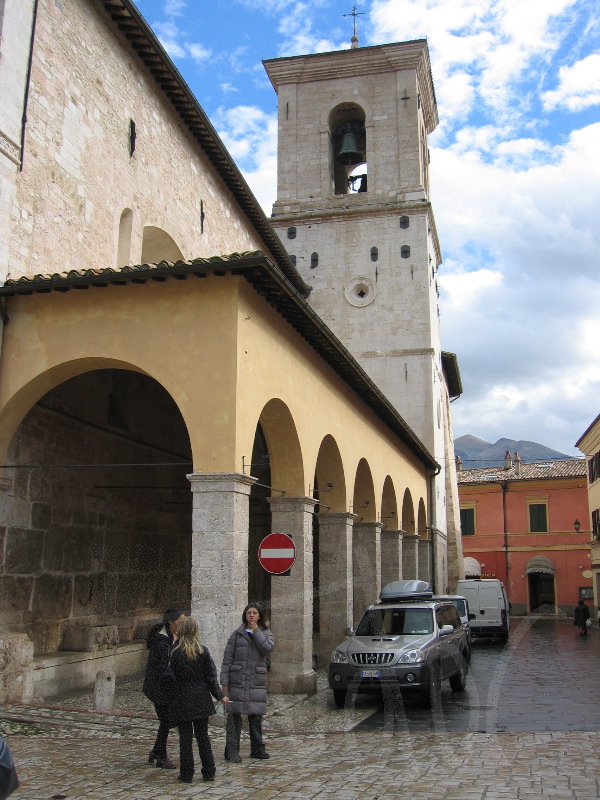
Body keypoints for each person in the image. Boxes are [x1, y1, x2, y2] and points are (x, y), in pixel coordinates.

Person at [170, 617, 228, 784]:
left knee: (186, 739)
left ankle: (186, 773)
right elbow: (211, 677)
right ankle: (209, 771)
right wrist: (219, 695)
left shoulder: (175, 652)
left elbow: (171, 676)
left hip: (183, 697)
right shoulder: (203, 651)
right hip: (200, 697)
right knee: (203, 737)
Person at [220, 602, 275, 762]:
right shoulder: (236, 634)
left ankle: (257, 748)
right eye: (248, 612)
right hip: (237, 680)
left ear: (259, 616)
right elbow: (227, 659)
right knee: (234, 717)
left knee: (256, 717)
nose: (251, 615)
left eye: (254, 613)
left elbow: (267, 648)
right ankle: (231, 751)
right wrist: (224, 681)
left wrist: (257, 631)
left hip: (256, 681)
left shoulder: (266, 632)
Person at [142, 608, 185, 769]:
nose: (182, 625)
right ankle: (161, 755)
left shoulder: (173, 638)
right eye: (180, 622)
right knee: (166, 720)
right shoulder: (161, 641)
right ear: (171, 622)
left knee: (166, 721)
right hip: (159, 686)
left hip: (168, 685)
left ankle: (157, 751)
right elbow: (160, 666)